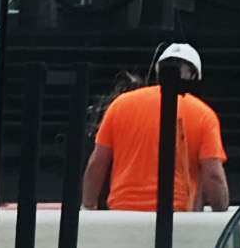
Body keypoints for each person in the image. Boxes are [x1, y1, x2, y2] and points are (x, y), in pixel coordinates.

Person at [88, 41, 227, 213]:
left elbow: (97, 163)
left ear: (159, 71)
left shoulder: (121, 104)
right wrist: (220, 211)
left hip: (122, 214)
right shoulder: (203, 114)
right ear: (193, 76)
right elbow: (213, 175)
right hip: (177, 217)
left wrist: (88, 207)